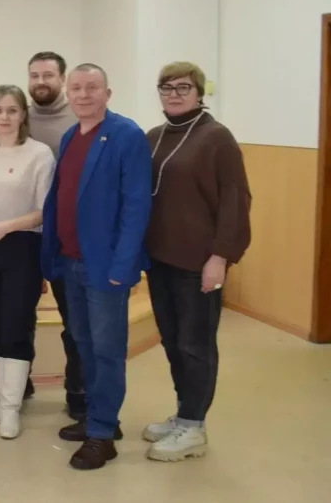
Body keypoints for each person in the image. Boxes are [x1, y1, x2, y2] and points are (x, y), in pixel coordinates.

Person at [41, 63, 152, 470]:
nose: (83, 95)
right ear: (68, 93)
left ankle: (102, 435)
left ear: (108, 93)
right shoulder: (71, 135)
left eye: (92, 87)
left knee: (107, 351)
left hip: (105, 267)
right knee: (84, 345)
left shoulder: (126, 135)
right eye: (76, 88)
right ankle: (98, 417)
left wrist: (123, 265)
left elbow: (137, 205)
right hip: (70, 261)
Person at [142, 62, 251, 462]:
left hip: (199, 261)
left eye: (183, 87)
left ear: (199, 92)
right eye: (166, 87)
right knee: (173, 341)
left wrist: (220, 257)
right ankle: (184, 413)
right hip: (160, 259)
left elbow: (236, 200)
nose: (173, 94)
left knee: (196, 344)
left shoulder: (217, 138)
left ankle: (194, 427)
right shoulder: (154, 136)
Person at [0, 85, 55, 439]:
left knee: (16, 326)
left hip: (22, 246)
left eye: (12, 110)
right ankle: (1, 400)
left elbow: (44, 211)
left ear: (23, 115)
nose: (4, 117)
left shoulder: (39, 154)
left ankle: (12, 407)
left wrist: (6, 226)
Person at [26, 51, 82, 419]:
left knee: (74, 322)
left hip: (66, 239)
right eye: (34, 75)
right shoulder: (19, 118)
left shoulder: (80, 119)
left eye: (48, 75)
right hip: (26, 235)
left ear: (62, 79)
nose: (41, 82)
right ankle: (18, 384)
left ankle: (77, 393)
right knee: (19, 317)